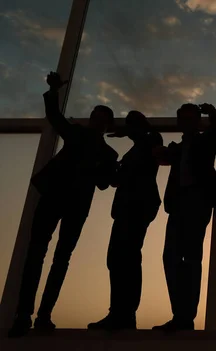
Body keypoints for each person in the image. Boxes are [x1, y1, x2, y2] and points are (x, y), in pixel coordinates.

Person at [8, 72, 118, 338]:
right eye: (95, 116)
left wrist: (111, 171)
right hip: (59, 200)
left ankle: (40, 314)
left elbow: (105, 183)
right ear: (92, 120)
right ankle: (27, 314)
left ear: (106, 126)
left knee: (56, 258)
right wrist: (53, 91)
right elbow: (56, 118)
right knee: (40, 255)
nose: (96, 121)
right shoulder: (83, 137)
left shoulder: (105, 152)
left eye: (101, 119)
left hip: (72, 205)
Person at [151, 103, 216, 332]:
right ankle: (181, 315)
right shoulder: (178, 148)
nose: (188, 122)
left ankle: (185, 317)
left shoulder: (205, 141)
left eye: (191, 118)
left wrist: (212, 112)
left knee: (191, 259)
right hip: (179, 204)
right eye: (184, 118)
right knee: (171, 257)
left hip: (197, 202)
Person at [88, 111, 163, 331]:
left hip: (138, 206)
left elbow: (147, 140)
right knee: (118, 258)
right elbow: (116, 180)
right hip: (127, 207)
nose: (129, 128)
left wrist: (127, 132)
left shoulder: (151, 139)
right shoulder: (135, 150)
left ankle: (125, 313)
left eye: (133, 124)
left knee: (127, 258)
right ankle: (119, 312)